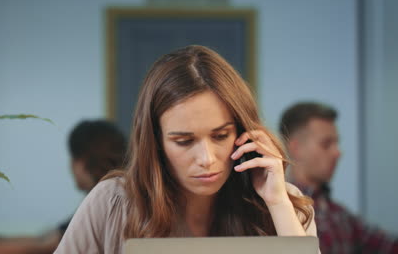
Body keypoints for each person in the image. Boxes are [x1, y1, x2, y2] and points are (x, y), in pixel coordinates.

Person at [54, 45, 318, 254]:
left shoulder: (282, 202)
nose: (206, 159)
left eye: (221, 135)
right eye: (184, 141)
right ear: (155, 142)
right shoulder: (112, 202)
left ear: (243, 132)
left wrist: (277, 202)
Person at [0, 120, 127, 254]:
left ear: (81, 162)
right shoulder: (105, 197)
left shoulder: (104, 199)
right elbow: (46, 238)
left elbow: (45, 247)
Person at [279, 101, 398, 253]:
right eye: (326, 144)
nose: (338, 152)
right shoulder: (279, 211)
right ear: (296, 148)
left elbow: (386, 245)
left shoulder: (339, 215)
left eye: (336, 143)